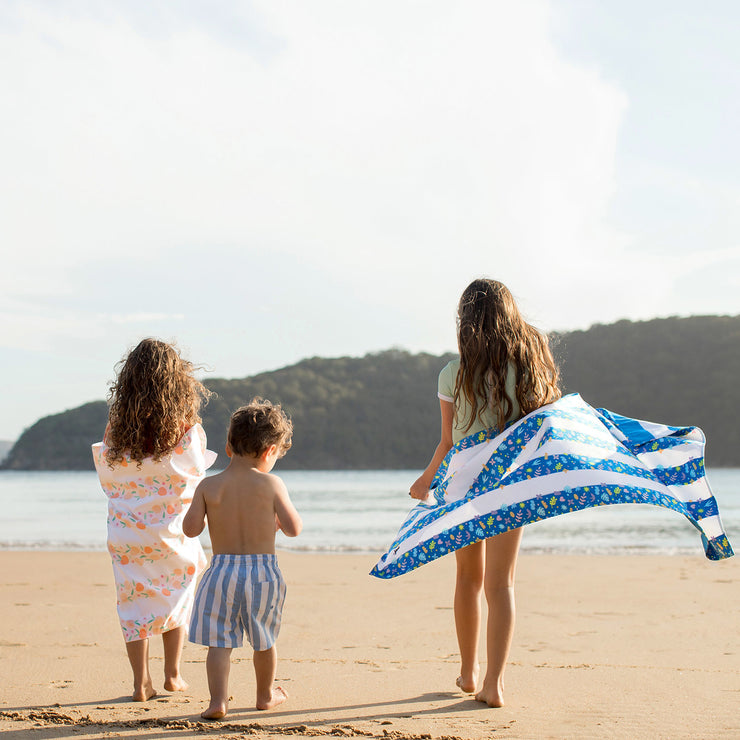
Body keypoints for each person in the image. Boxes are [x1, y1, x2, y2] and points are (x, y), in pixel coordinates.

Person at [409, 278, 560, 707]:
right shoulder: (530, 365)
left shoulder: (452, 373)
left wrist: (425, 480)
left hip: (464, 485)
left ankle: (468, 672)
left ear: (465, 321)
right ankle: (495, 683)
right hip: (511, 483)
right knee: (502, 584)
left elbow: (447, 442)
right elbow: (547, 425)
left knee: (468, 579)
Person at [92, 338, 215, 701]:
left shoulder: (116, 428)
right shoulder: (184, 426)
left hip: (127, 532)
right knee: (175, 595)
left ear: (128, 381)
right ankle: (172, 674)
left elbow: (108, 477)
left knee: (134, 600)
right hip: (172, 532)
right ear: (178, 382)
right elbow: (195, 474)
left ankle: (139, 682)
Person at [184, 398, 302, 720]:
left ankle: (218, 701)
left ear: (227, 447)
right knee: (264, 638)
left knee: (219, 641)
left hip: (221, 571)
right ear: (269, 452)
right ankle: (265, 695)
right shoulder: (272, 484)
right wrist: (276, 521)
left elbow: (190, 529)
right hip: (262, 573)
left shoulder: (210, 486)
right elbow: (293, 528)